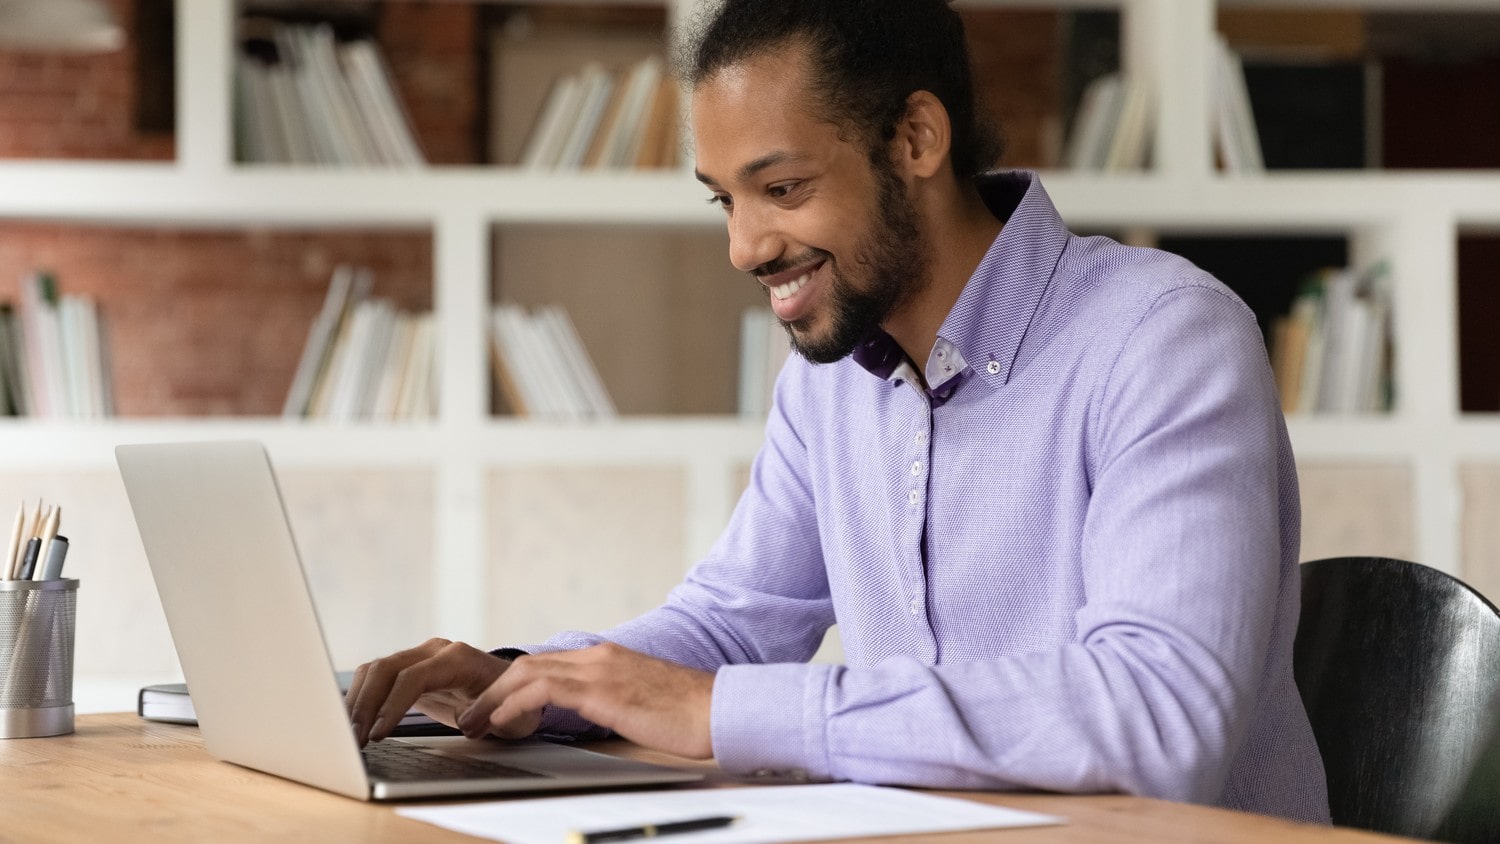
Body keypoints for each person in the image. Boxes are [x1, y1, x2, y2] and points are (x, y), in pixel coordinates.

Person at [347, 0, 1329, 822]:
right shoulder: (829, 379)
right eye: (724, 201)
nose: (745, 246)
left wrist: (724, 711)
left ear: (916, 139)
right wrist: (532, 680)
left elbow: (1158, 721)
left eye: (781, 188)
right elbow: (735, 622)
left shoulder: (1164, 338)